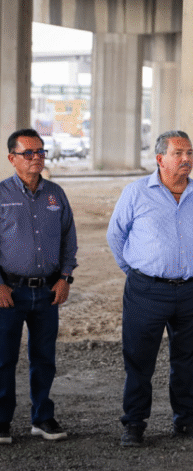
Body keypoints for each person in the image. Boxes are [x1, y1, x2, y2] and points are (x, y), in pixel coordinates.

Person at [107, 130, 193, 447]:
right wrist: (138, 272)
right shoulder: (136, 193)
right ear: (160, 159)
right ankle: (134, 424)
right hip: (147, 291)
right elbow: (116, 236)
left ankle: (186, 420)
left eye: (189, 152)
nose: (186, 158)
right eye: (178, 153)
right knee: (139, 361)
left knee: (187, 361)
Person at [0, 129, 77, 445]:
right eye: (29, 153)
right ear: (12, 158)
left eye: (41, 152)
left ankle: (42, 418)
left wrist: (65, 277)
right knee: (3, 358)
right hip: (9, 293)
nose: (37, 158)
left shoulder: (55, 194)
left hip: (47, 292)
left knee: (44, 358)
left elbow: (69, 238)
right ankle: (2, 421)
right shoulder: (2, 194)